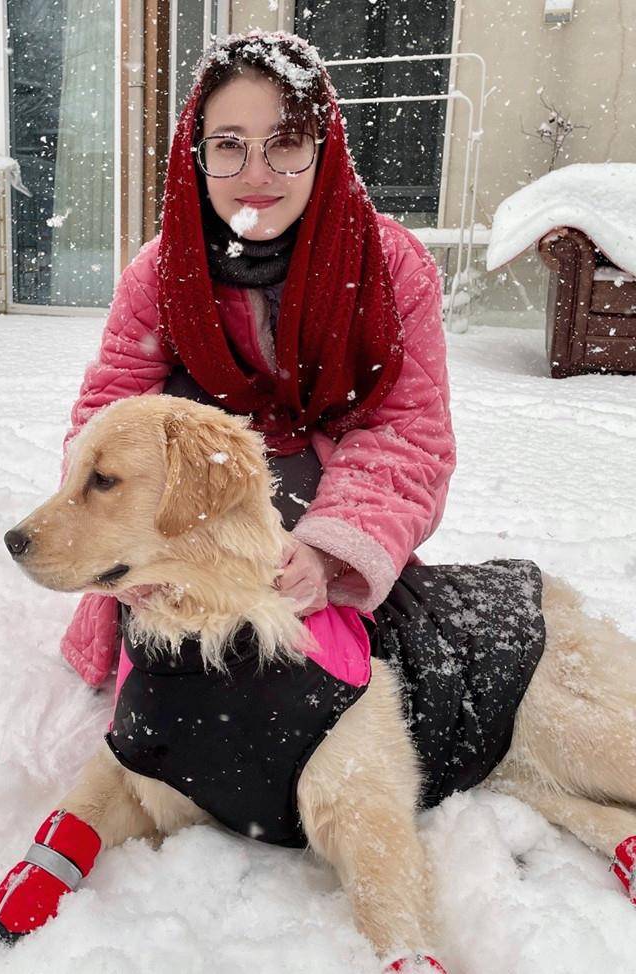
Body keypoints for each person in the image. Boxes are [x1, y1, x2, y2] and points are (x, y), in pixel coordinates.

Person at [59, 29, 456, 693]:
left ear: (322, 152)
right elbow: (105, 421)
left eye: (285, 144)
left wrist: (332, 550)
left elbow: (407, 435)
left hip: (319, 503)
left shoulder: (390, 267)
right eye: (229, 145)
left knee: (316, 689)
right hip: (186, 516)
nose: (256, 173)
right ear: (198, 155)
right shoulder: (159, 273)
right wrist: (139, 553)